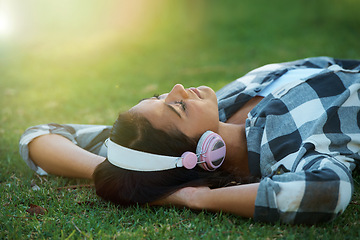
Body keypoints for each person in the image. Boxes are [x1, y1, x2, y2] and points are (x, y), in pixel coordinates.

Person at [19, 56, 360, 225]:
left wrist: (125, 175)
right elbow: (328, 192)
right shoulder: (293, 147)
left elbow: (40, 135)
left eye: (161, 96)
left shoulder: (221, 107)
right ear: (201, 154)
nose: (179, 88)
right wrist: (194, 198)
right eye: (178, 107)